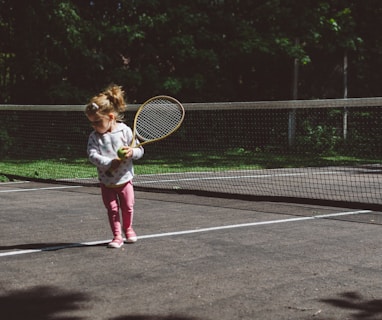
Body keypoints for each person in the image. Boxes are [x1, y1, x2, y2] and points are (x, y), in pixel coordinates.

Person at [85, 85, 144, 248]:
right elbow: (92, 155)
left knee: (128, 207)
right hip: (107, 182)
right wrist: (110, 163)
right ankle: (117, 236)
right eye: (92, 123)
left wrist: (132, 152)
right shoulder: (94, 137)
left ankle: (128, 229)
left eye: (97, 122)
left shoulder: (124, 131)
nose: (95, 126)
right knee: (112, 209)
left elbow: (140, 150)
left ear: (110, 117)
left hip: (125, 180)